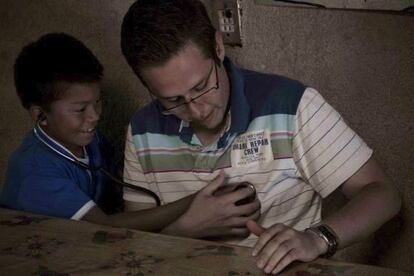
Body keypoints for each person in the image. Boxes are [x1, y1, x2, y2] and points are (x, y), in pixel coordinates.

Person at [120, 0, 402, 274]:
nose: (196, 109)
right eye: (173, 100)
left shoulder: (289, 104)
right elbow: (138, 242)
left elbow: (382, 193)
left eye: (202, 86)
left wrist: (317, 238)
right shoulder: (142, 128)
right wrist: (185, 230)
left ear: (218, 47)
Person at [0, 32, 260, 236]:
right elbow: (104, 228)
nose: (94, 116)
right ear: (39, 115)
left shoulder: (85, 139)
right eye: (80, 109)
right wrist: (197, 200)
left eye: (98, 102)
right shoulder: (35, 175)